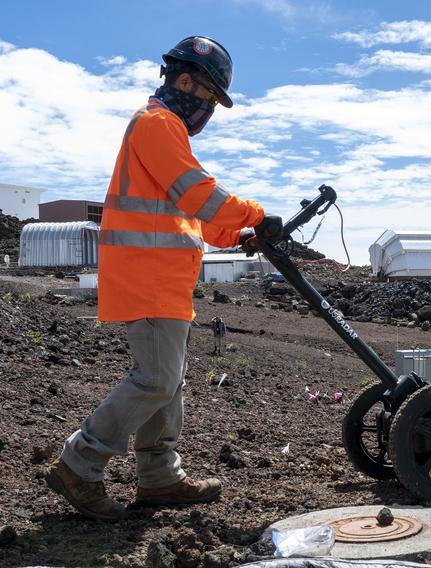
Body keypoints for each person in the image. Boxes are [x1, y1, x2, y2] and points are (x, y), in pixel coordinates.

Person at [45, 36, 284, 521]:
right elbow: (198, 192)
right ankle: (79, 462)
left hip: (165, 281)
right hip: (147, 278)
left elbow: (198, 216)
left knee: (168, 383)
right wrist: (257, 214)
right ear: (184, 81)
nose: (208, 110)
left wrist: (240, 233)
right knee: (155, 379)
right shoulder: (156, 124)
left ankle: (159, 478)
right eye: (209, 98)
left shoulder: (164, 130)